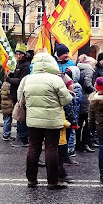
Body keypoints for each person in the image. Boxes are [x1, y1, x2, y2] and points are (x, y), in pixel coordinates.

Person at [19, 52, 73, 190]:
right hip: (52, 120)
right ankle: (52, 181)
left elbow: (21, 99)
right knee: (51, 149)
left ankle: (31, 180)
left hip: (33, 120)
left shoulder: (27, 79)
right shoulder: (55, 80)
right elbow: (66, 100)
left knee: (33, 148)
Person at [7, 43, 31, 147]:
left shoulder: (26, 65)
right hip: (15, 94)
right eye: (16, 54)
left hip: (20, 95)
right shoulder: (19, 64)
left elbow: (22, 81)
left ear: (24, 54)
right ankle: (20, 136)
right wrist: (11, 74)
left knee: (21, 116)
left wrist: (10, 79)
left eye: (19, 54)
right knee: (18, 116)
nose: (18, 56)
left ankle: (23, 138)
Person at [76, 54, 96, 153]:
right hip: (86, 100)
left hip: (79, 98)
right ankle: (85, 144)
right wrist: (95, 91)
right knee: (88, 123)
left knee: (78, 123)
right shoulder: (89, 70)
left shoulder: (77, 68)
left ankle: (77, 143)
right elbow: (87, 84)